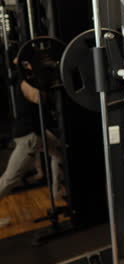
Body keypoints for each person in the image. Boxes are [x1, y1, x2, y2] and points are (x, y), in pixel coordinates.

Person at [0, 58, 64, 228]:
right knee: (9, 179)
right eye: (27, 63)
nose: (30, 65)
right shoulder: (23, 82)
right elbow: (39, 98)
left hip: (38, 133)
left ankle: (56, 191)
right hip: (28, 137)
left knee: (60, 154)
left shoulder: (28, 79)